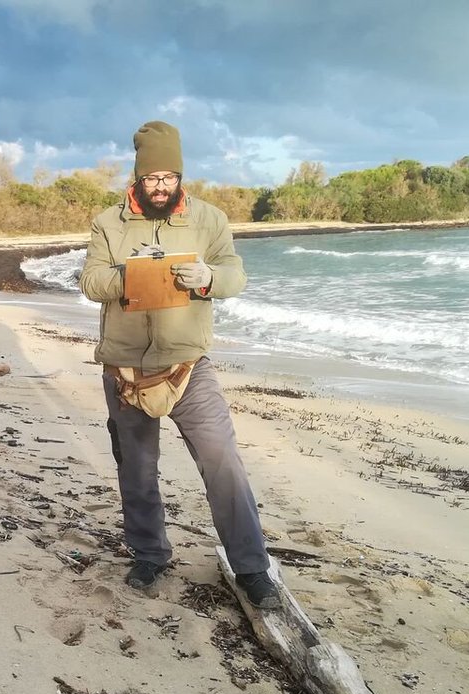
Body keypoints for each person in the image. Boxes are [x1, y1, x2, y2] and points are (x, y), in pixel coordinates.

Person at [79, 120, 279, 608]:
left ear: (180, 176)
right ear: (138, 177)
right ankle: (149, 555)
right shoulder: (107, 223)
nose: (161, 186)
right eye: (152, 178)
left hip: (189, 366)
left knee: (222, 460)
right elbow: (90, 282)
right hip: (125, 368)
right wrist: (133, 276)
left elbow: (235, 275)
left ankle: (252, 568)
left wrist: (208, 277)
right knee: (137, 469)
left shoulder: (209, 219)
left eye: (169, 177)